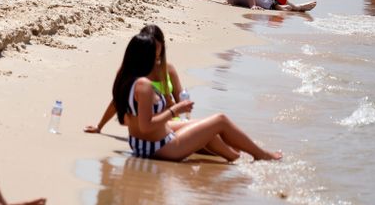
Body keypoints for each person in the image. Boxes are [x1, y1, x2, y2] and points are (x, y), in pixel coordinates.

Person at [111, 32, 282, 161]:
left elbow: (125, 120)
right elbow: (146, 126)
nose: (157, 61)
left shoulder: (125, 80)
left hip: (142, 144)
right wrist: (175, 109)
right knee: (220, 120)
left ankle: (234, 156)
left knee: (203, 126)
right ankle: (261, 155)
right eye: (154, 57)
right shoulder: (144, 86)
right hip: (159, 148)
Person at [85, 25, 184, 134]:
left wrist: (173, 106)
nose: (153, 51)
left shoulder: (168, 69)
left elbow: (182, 101)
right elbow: (118, 100)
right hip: (151, 124)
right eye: (149, 47)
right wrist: (99, 126)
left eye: (155, 46)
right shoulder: (135, 71)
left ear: (162, 46)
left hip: (172, 121)